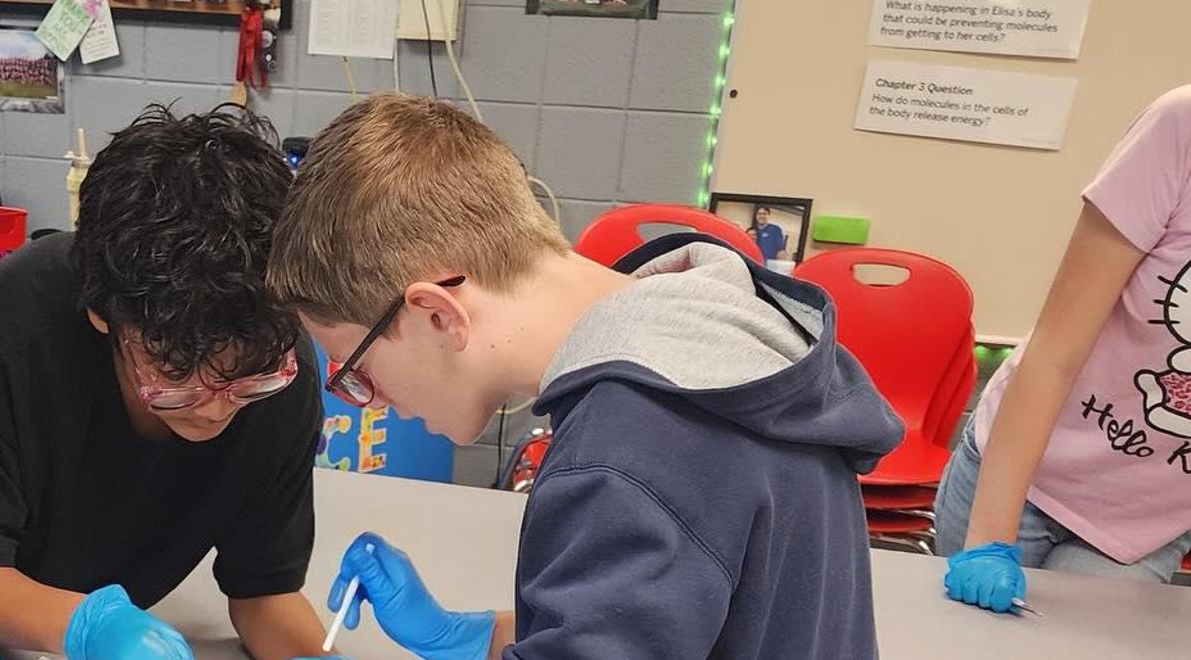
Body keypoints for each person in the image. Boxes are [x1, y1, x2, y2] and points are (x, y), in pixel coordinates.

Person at [266, 93, 904, 659]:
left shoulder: (632, 445)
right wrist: (469, 636)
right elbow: (684, 620)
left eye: (357, 369)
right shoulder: (718, 349)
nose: (370, 402)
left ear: (436, 312)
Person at [0, 104, 337, 660]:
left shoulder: (276, 360)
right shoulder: (19, 324)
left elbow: (264, 593)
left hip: (45, 601)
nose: (214, 406)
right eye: (173, 370)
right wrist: (90, 627)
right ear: (102, 311)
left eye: (242, 379)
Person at [934, 85, 1191, 613]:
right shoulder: (1180, 127)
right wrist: (988, 544)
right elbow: (1056, 350)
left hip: (1137, 529)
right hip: (1025, 476)